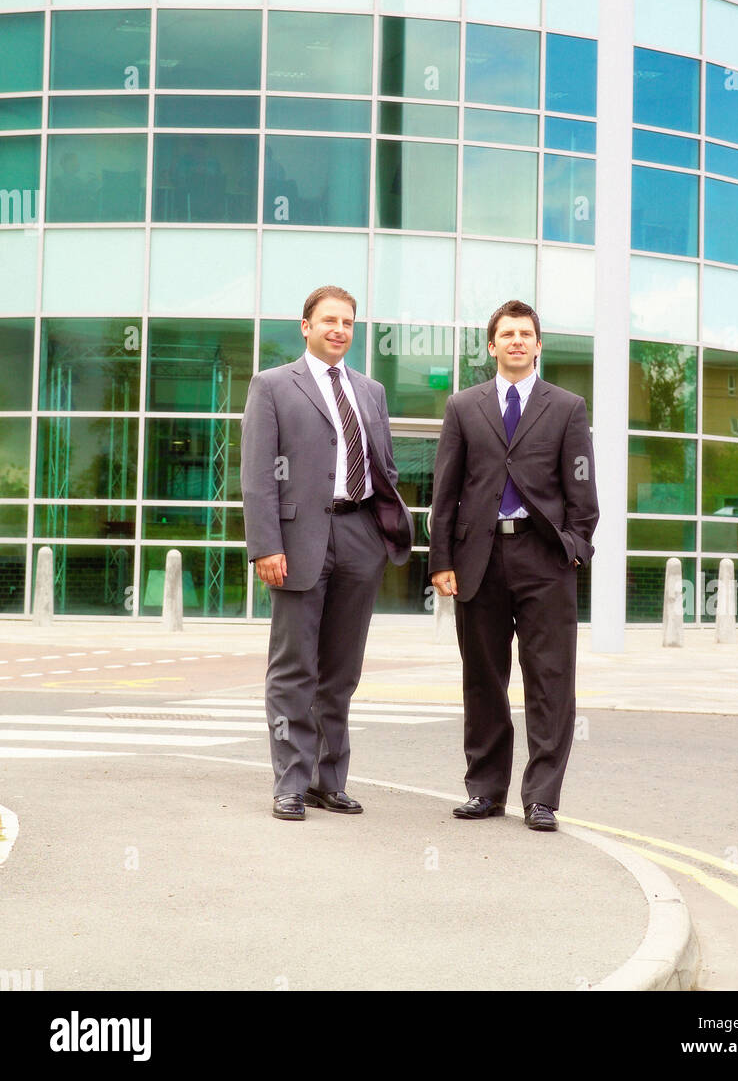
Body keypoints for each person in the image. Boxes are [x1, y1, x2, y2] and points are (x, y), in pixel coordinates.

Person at [241, 285, 413, 821]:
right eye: (329, 320)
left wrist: (386, 533)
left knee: (341, 671)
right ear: (306, 326)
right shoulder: (272, 386)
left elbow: (383, 464)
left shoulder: (372, 390)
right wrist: (266, 544)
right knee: (294, 668)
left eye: (348, 322)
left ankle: (328, 780)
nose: (339, 330)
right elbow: (257, 473)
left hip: (360, 535)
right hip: (297, 542)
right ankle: (290, 783)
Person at [429, 300, 599, 832]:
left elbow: (582, 489)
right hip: (478, 558)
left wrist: (575, 546)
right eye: (507, 334)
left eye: (526, 334)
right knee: (483, 678)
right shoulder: (462, 406)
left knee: (550, 680)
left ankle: (542, 797)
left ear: (538, 344)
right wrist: (441, 560)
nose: (517, 341)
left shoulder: (567, 407)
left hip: (544, 558)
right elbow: (446, 489)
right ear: (491, 345)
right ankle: (485, 791)